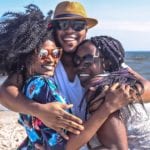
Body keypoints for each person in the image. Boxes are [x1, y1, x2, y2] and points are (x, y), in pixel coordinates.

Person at [0, 1, 150, 149]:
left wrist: (118, 97)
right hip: (72, 140)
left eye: (78, 25)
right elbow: (6, 92)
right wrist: (38, 110)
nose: (70, 31)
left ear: (86, 30)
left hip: (91, 137)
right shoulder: (47, 60)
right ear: (53, 28)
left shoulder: (99, 56)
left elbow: (147, 87)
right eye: (63, 25)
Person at [72, 35, 150, 149]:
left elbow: (117, 148)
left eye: (88, 60)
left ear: (107, 62)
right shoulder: (128, 82)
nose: (80, 66)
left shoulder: (102, 92)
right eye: (77, 60)